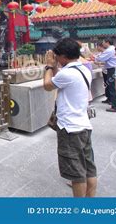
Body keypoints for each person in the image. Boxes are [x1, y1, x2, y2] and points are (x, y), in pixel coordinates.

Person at [43, 38, 97, 197]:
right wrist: (55, 68)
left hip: (70, 129)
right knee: (89, 169)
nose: (56, 59)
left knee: (77, 174)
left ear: (64, 56)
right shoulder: (83, 69)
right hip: (83, 126)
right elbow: (59, 80)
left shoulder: (67, 73)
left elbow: (47, 85)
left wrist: (48, 66)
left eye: (57, 56)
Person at [92, 39, 116, 112]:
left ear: (107, 42)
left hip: (112, 70)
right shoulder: (111, 49)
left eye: (103, 42)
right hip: (114, 69)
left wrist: (93, 57)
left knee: (112, 87)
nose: (103, 44)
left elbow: (100, 58)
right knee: (113, 87)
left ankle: (115, 106)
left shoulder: (110, 50)